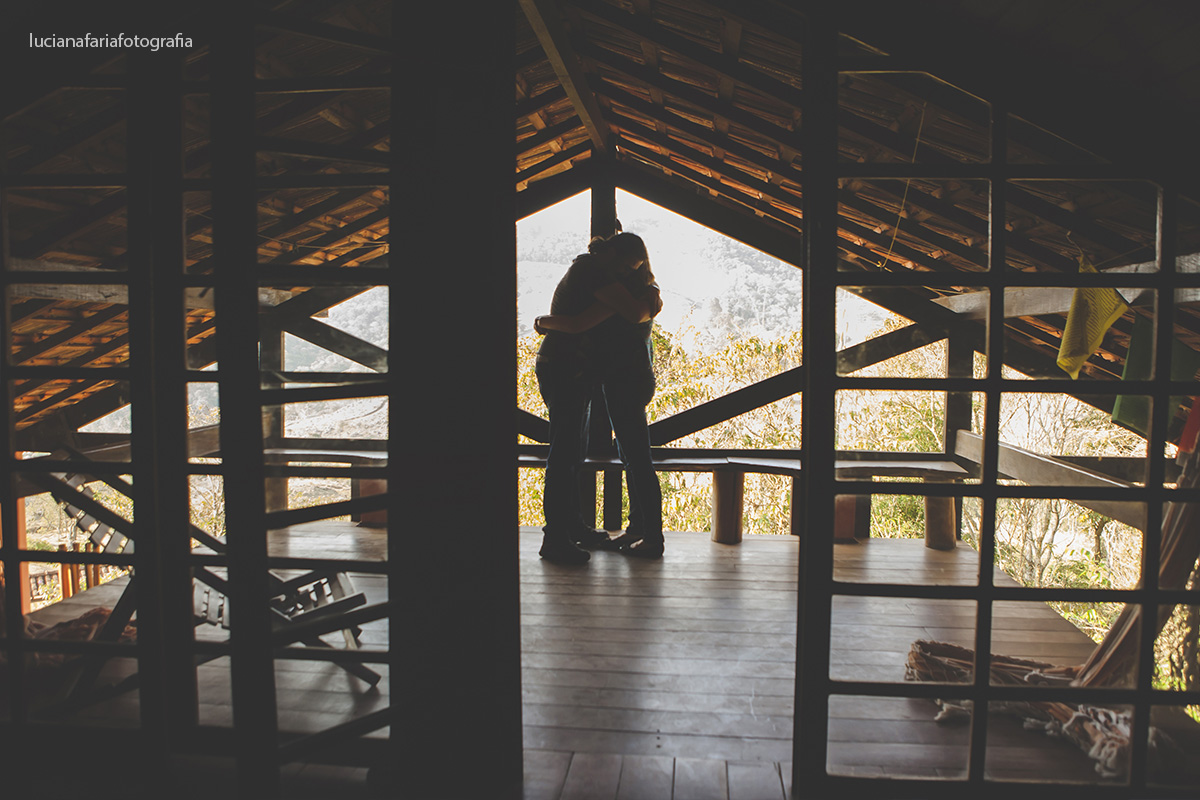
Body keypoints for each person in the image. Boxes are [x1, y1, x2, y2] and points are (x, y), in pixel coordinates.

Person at [534, 232, 664, 562]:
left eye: (631, 269)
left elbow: (587, 322)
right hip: (568, 367)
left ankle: (572, 529)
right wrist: (650, 296)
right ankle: (557, 536)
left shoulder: (609, 280)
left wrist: (543, 321)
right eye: (624, 266)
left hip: (581, 370)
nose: (624, 273)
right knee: (567, 453)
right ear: (611, 255)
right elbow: (586, 322)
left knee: (574, 453)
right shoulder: (593, 273)